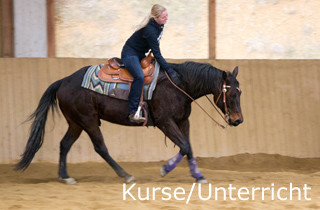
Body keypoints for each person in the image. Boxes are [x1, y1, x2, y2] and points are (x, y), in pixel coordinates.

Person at [121, 4, 180, 124]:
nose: (166, 18)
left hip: (140, 54)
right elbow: (157, 54)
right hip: (130, 54)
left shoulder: (159, 26)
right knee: (139, 76)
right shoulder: (150, 31)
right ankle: (132, 111)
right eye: (163, 17)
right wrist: (169, 70)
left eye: (166, 15)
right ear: (155, 18)